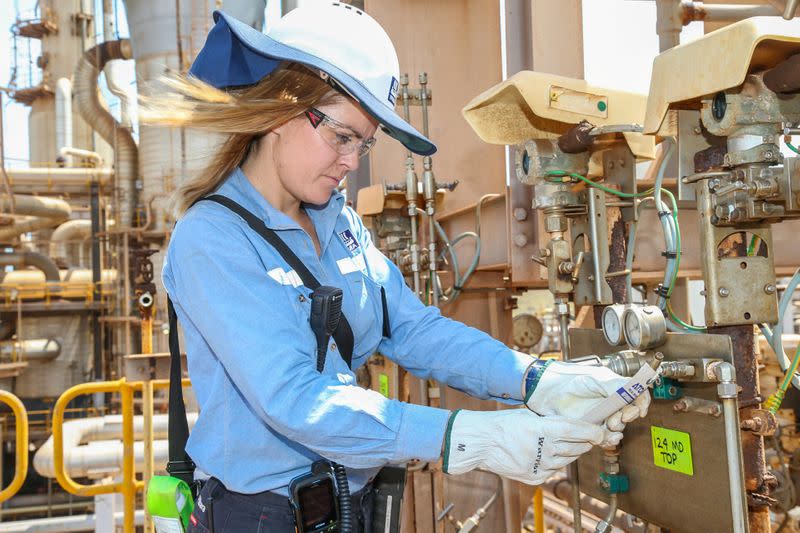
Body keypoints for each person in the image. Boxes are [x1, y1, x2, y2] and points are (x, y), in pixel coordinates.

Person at [147, 4, 651, 532]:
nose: (352, 161)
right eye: (342, 137)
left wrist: (534, 379)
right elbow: (294, 399)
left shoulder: (338, 223)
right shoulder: (213, 238)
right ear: (280, 109)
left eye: (364, 144)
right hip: (263, 517)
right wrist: (470, 438)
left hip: (353, 508)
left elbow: (412, 327)